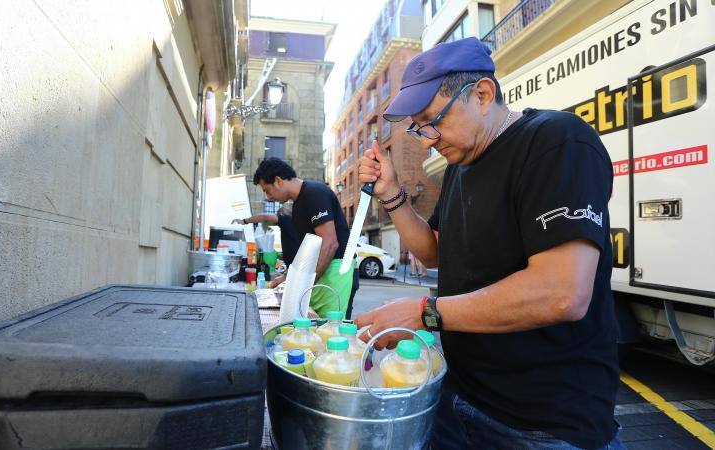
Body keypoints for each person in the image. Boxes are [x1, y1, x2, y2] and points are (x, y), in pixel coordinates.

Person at [354, 38, 622, 449]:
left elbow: (562, 293)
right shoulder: (461, 165)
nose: (426, 139)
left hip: (541, 423)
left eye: (433, 120)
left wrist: (425, 315)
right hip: (458, 399)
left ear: (482, 94)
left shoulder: (557, 143)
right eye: (417, 127)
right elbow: (434, 252)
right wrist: (391, 194)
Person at [253, 158, 360, 318]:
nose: (268, 197)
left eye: (267, 190)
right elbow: (306, 252)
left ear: (278, 180)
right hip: (322, 272)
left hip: (337, 272)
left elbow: (330, 244)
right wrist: (286, 277)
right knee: (313, 328)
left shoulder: (315, 193)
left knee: (331, 331)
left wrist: (304, 284)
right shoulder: (297, 207)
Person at [233, 205, 301, 270]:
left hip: (295, 265)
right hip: (297, 263)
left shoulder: (285, 218)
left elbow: (265, 217)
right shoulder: (296, 222)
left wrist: (244, 221)